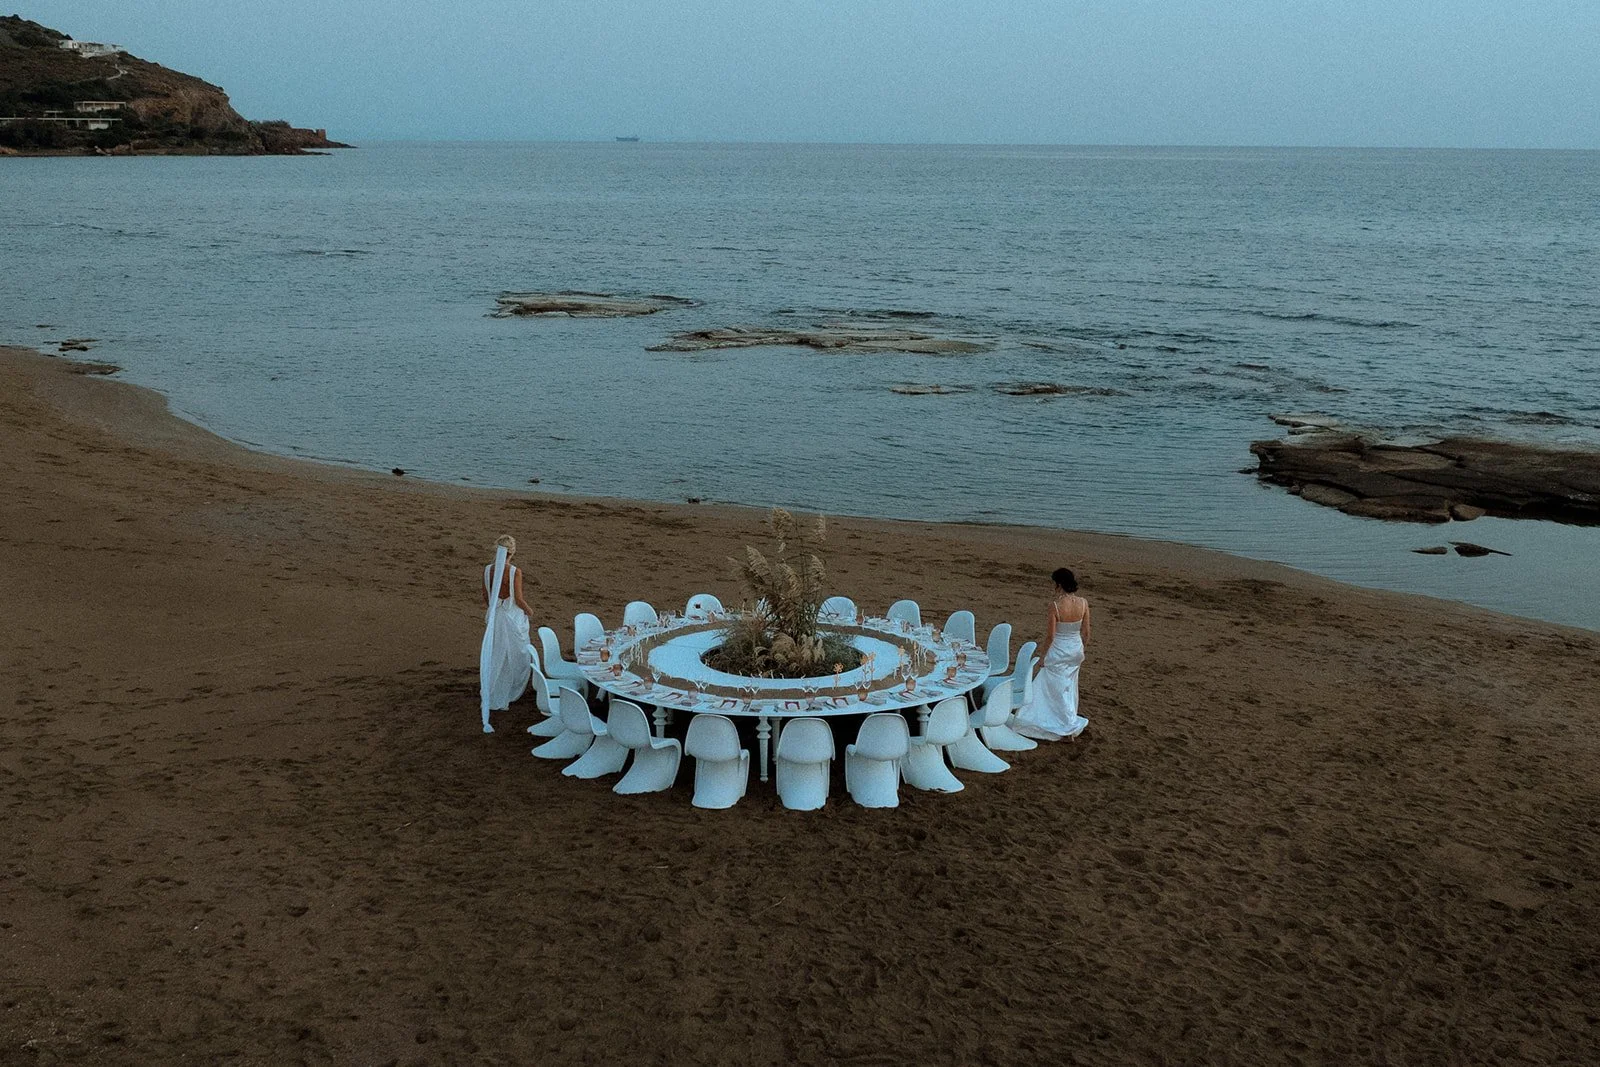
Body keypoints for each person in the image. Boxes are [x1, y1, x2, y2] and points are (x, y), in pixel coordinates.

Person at [1013, 567, 1090, 741]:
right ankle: (1068, 718)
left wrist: (1042, 656)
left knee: (1053, 687)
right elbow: (1086, 633)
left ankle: (1063, 722)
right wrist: (1080, 648)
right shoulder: (1083, 603)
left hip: (1059, 650)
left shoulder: (1055, 606)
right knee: (1068, 686)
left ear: (1059, 584)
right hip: (1075, 650)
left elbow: (1051, 636)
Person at [480, 534, 535, 719]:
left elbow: (487, 597)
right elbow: (518, 599)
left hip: (496, 616)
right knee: (516, 652)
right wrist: (529, 611)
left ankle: (494, 687)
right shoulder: (514, 572)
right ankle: (510, 689)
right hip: (511, 618)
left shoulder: (487, 570)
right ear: (512, 552)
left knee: (496, 652)